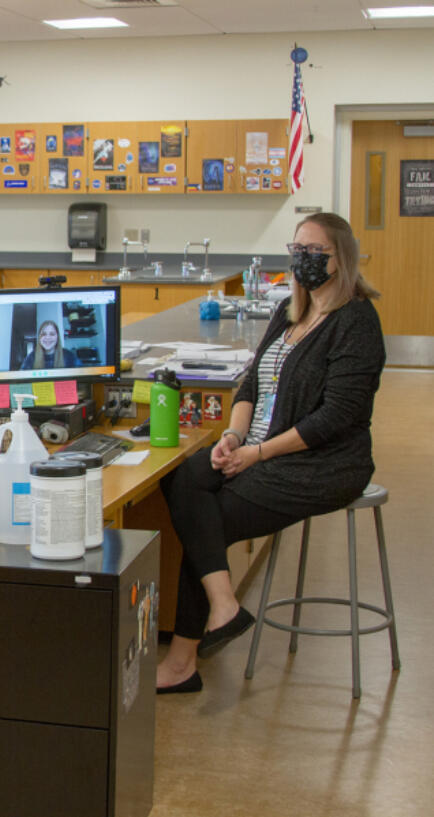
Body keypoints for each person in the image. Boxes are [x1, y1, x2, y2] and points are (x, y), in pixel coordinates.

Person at [156, 213, 384, 694]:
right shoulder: (290, 310)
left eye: (313, 252)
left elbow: (334, 419)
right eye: (296, 249)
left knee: (208, 518)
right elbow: (251, 383)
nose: (301, 260)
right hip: (255, 447)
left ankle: (182, 662)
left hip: (320, 463)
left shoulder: (357, 321)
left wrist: (257, 454)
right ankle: (224, 605)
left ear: (339, 259)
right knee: (180, 479)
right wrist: (234, 438)